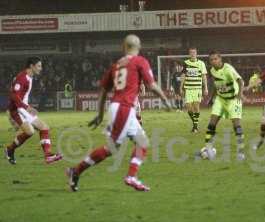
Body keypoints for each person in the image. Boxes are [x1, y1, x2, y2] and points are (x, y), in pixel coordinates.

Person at [66, 34, 170, 192]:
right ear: (139, 46)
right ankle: (76, 170)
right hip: (125, 107)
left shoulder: (116, 65)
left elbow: (102, 91)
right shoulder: (140, 61)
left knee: (142, 142)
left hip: (118, 107)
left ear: (123, 47)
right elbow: (152, 85)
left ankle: (131, 176)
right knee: (112, 147)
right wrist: (165, 99)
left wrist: (100, 114)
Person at [4, 57, 63, 165]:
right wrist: (27, 108)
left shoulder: (29, 77)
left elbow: (20, 95)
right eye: (39, 66)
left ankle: (48, 155)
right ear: (31, 66)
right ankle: (10, 149)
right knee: (32, 131)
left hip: (23, 108)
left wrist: (26, 107)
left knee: (42, 128)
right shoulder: (22, 78)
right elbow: (13, 95)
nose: (41, 68)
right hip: (18, 109)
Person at [203, 50, 245, 161]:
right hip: (220, 99)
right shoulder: (212, 70)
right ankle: (208, 148)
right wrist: (211, 98)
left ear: (220, 59)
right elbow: (216, 85)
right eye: (211, 60)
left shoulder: (228, 69)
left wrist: (240, 95)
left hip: (233, 99)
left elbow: (241, 81)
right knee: (212, 123)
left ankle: (241, 151)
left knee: (236, 125)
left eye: (215, 59)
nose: (213, 61)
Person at [180, 47, 208, 133]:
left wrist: (205, 88)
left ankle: (195, 127)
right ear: (189, 54)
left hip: (197, 89)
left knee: (196, 107)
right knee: (188, 107)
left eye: (194, 52)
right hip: (188, 88)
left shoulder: (201, 64)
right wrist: (181, 87)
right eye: (191, 53)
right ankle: (195, 123)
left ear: (196, 53)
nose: (192, 54)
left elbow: (204, 76)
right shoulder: (186, 63)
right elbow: (183, 76)